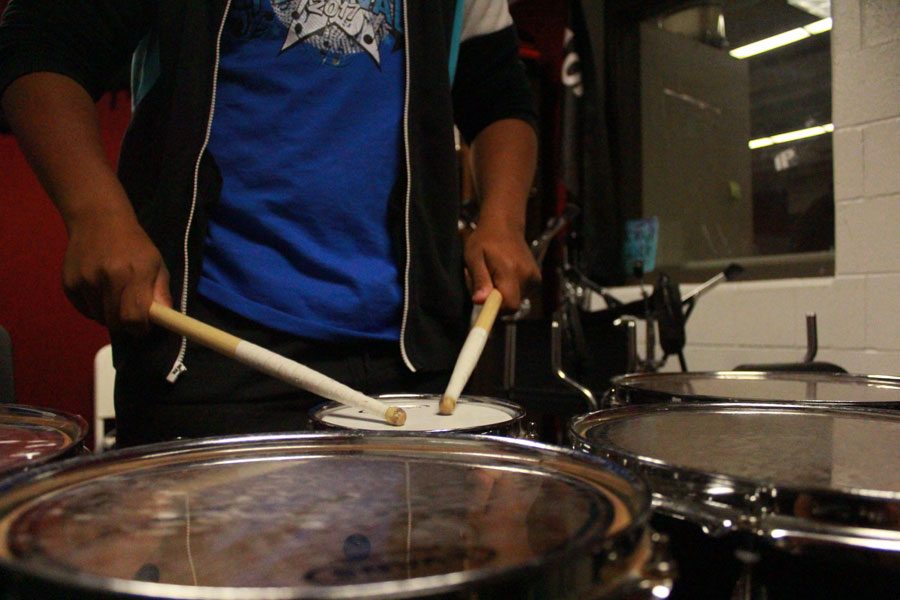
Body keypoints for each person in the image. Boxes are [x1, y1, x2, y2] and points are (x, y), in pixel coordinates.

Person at [0, 0, 540, 446]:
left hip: (410, 360)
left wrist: (503, 220)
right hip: (208, 359)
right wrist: (97, 214)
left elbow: (498, 95)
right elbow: (38, 48)